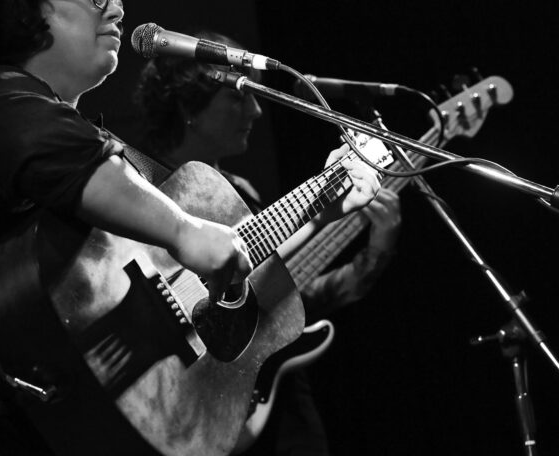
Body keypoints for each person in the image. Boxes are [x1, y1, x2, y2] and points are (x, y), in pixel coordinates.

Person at [0, 0, 380, 456]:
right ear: (26, 4)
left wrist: (322, 207)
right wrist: (184, 229)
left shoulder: (104, 151)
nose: (116, 9)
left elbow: (221, 263)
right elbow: (55, 153)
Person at [133, 34, 401, 456]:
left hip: (274, 406)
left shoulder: (244, 194)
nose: (256, 110)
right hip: (183, 397)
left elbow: (289, 302)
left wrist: (371, 250)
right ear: (189, 106)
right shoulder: (138, 188)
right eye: (239, 96)